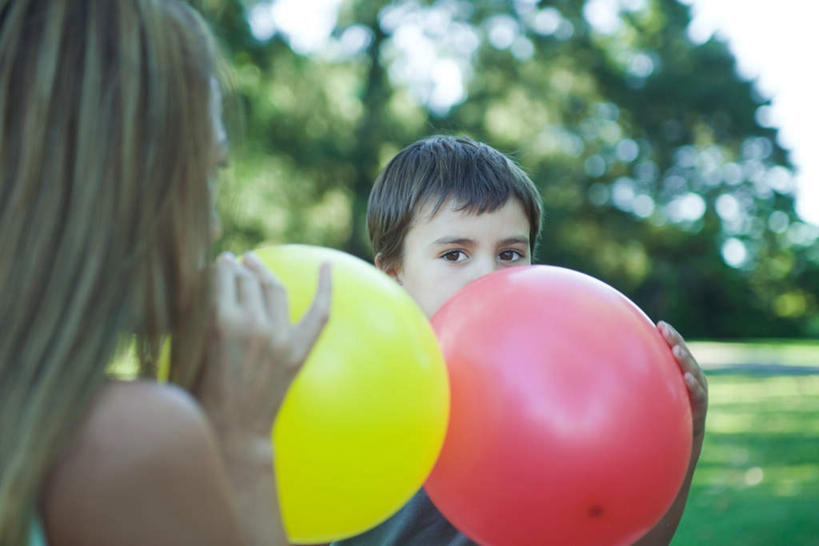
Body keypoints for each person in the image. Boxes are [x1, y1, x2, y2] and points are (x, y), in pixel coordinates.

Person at [0, 1, 328, 545]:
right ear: (125, 181)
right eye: (207, 172)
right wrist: (243, 445)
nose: (214, 222)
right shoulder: (128, 441)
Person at [333, 135, 708, 545]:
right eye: (454, 254)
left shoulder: (552, 400)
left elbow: (620, 534)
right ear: (393, 275)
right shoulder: (350, 401)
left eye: (509, 254)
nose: (487, 276)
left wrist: (687, 431)